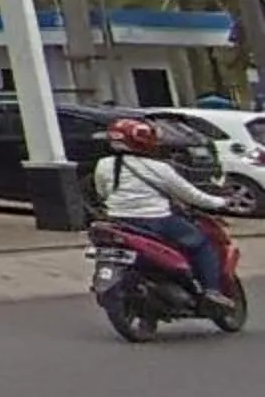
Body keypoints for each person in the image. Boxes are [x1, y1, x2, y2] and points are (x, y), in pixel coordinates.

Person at [96, 116, 234, 302]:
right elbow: (191, 195)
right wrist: (221, 202)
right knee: (201, 244)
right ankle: (211, 290)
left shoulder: (104, 165)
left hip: (119, 221)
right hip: (156, 220)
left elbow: (103, 191)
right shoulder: (159, 168)